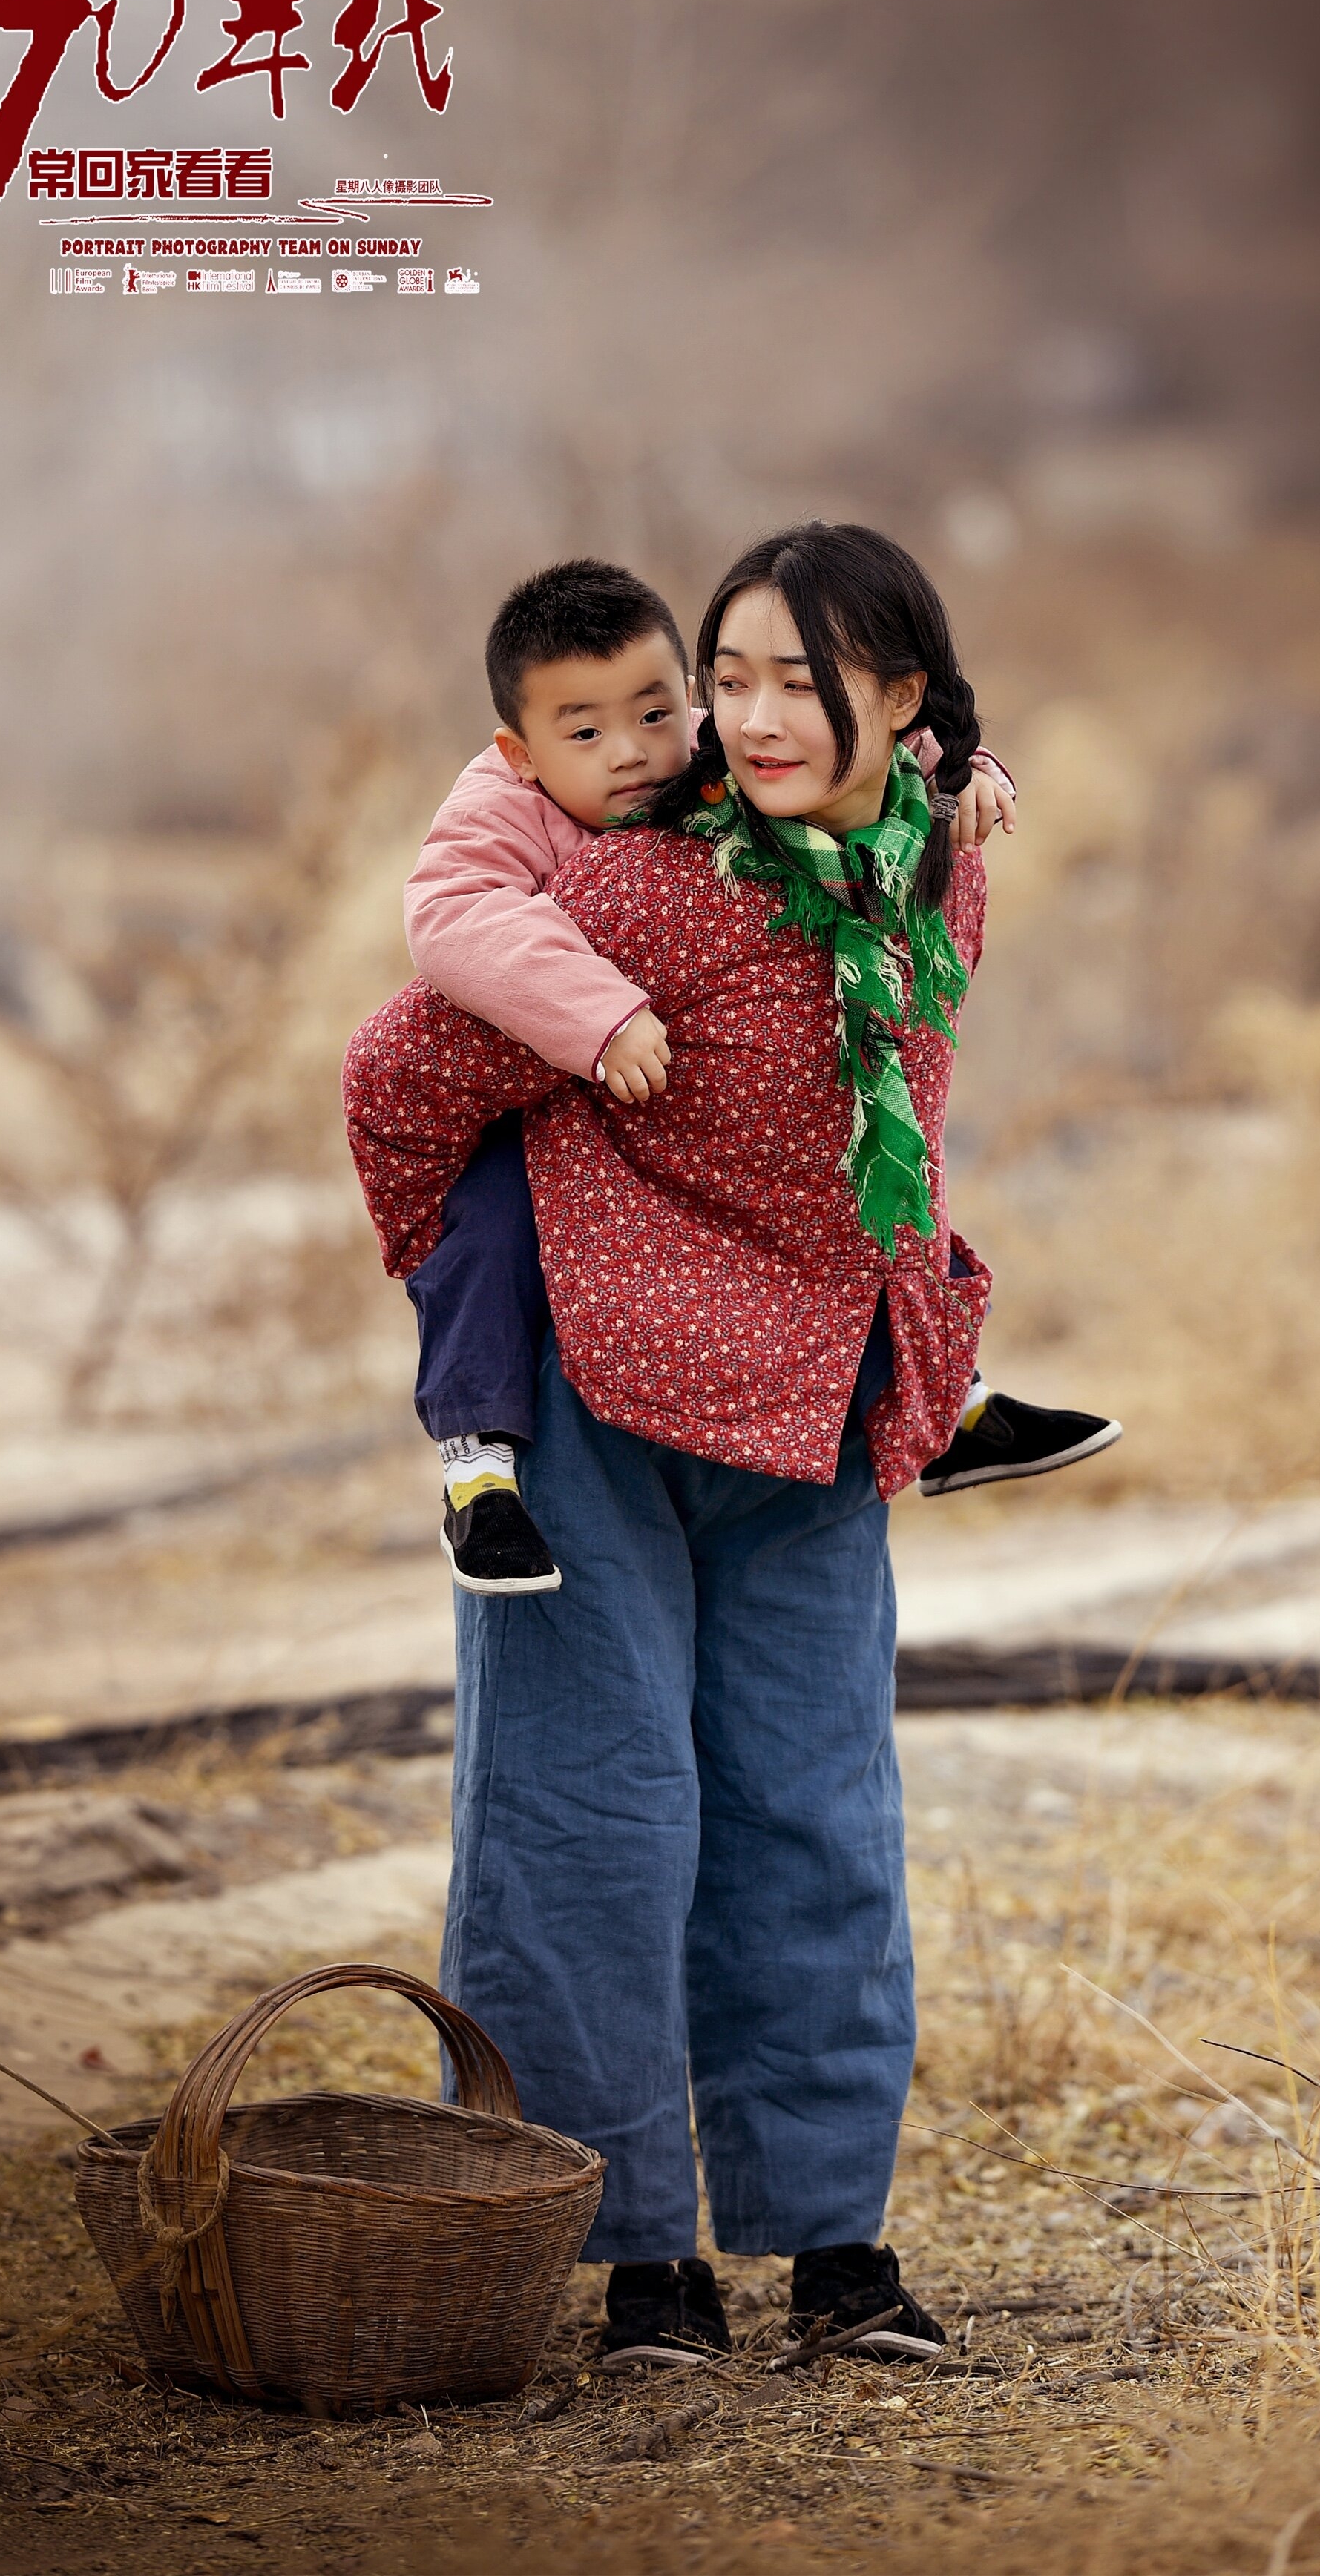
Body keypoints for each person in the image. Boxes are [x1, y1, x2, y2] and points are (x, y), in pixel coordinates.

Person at [342, 521, 1062, 2368]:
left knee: (818, 1813)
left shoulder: (938, 871)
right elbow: (397, 1073)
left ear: (899, 703)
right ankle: (626, 2253)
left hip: (815, 1402)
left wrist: (964, 783)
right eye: (722, 675)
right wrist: (483, 1297)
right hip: (599, 1396)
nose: (741, 719)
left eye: (791, 682)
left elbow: (897, 1098)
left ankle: (834, 2248)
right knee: (591, 1820)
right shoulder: (643, 886)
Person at [401, 555, 1118, 1595]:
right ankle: (481, 1472)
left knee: (883, 1123)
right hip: (542, 1075)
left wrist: (975, 772)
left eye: (663, 711)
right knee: (491, 1230)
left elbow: (883, 729)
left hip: (755, 1275)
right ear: (521, 749)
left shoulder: (762, 781)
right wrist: (596, 1016)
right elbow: (446, 931)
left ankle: (948, 1398)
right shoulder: (518, 815)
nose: (639, 753)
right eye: (585, 732)